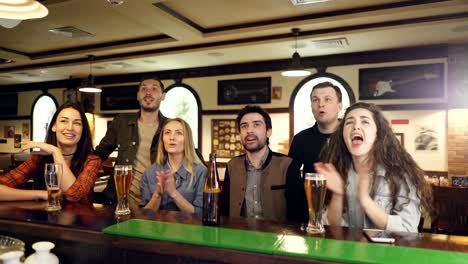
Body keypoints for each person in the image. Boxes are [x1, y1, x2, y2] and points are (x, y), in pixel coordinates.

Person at [315, 102, 433, 232]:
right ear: (342, 135)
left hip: (388, 252)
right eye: (349, 122)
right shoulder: (338, 172)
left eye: (365, 122)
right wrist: (338, 195)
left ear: (378, 134)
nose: (356, 127)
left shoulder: (400, 174)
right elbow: (332, 227)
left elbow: (408, 228)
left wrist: (365, 200)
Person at [220, 105, 308, 223]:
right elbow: (224, 210)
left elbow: (298, 215)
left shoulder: (287, 165)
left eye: (257, 124)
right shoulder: (232, 165)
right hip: (238, 235)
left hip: (277, 238)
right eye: (244, 126)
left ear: (268, 132)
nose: (249, 130)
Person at [0, 102, 101, 204]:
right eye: (63, 121)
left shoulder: (92, 160)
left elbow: (75, 196)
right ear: (54, 126)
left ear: (83, 130)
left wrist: (55, 151)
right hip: (43, 218)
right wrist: (42, 194)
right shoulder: (39, 158)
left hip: (80, 218)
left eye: (77, 123)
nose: (70, 128)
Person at [95, 75, 168, 205]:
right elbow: (99, 154)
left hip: (155, 203)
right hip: (118, 200)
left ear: (163, 96)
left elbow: (190, 157)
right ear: (138, 95)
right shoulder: (121, 121)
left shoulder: (169, 127)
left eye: (154, 89)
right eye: (144, 89)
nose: (148, 93)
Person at [140, 118, 207, 215]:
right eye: (167, 133)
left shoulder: (201, 171)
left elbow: (200, 215)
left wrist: (173, 193)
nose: (172, 137)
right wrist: (157, 195)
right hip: (157, 229)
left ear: (187, 140)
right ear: (162, 139)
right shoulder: (150, 172)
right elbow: (144, 215)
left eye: (179, 133)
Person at [289, 81, 342, 175]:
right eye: (315, 100)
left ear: (339, 106)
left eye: (327, 99)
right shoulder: (300, 139)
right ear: (311, 107)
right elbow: (291, 176)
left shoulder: (350, 135)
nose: (321, 104)